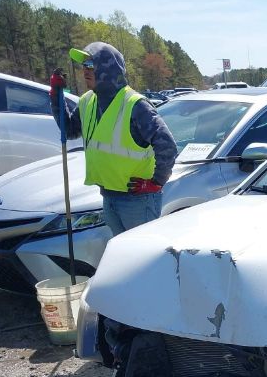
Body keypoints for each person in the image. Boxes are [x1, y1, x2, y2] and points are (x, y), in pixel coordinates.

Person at [49, 42, 177, 235]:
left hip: (138, 200)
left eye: (91, 65)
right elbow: (69, 131)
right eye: (83, 65)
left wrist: (156, 182)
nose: (85, 70)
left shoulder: (135, 104)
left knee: (139, 257)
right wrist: (56, 95)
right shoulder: (87, 101)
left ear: (108, 68)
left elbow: (167, 146)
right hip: (109, 197)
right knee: (123, 257)